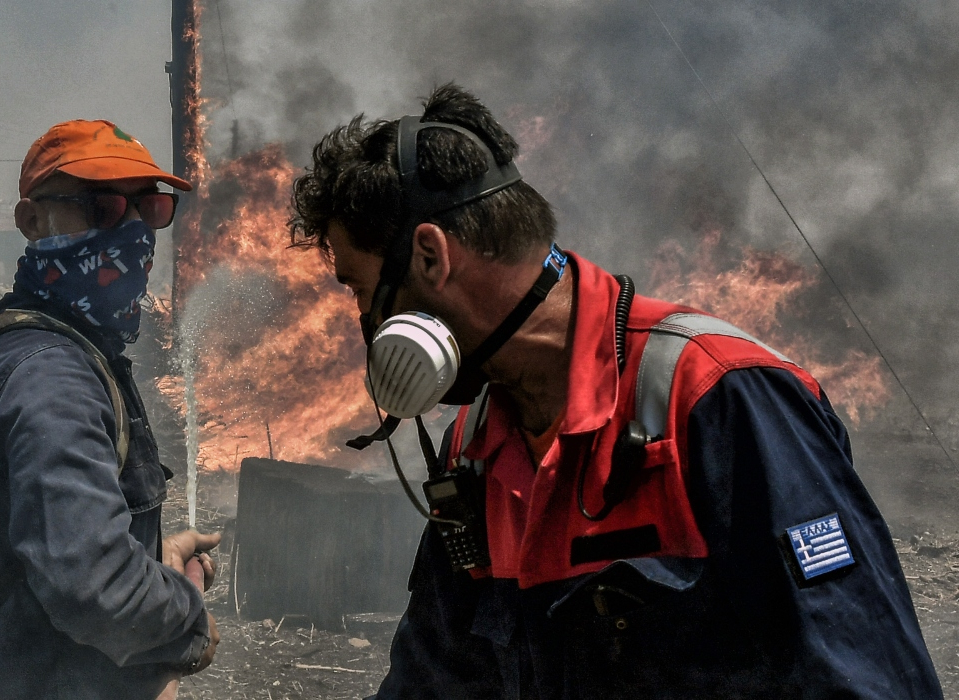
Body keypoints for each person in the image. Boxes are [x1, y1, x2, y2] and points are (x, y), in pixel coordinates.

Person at [289, 84, 943, 698]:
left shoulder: (717, 396)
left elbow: (868, 677)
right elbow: (434, 681)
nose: (367, 328)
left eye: (359, 290)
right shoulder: (473, 454)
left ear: (431, 256)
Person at [0, 119, 220, 699]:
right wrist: (188, 619)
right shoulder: (50, 377)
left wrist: (151, 559)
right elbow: (97, 591)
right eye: (104, 207)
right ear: (31, 222)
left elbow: (49, 551)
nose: (135, 231)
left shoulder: (61, 349)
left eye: (150, 208)